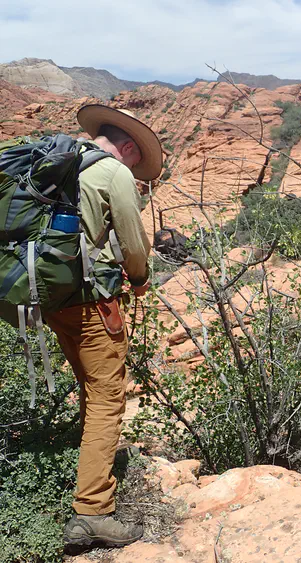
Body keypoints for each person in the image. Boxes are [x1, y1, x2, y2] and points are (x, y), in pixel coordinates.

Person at [49, 105, 162, 548]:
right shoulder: (113, 171)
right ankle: (93, 510)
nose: (134, 170)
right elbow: (133, 242)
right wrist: (139, 279)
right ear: (129, 148)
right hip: (91, 302)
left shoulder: (62, 157)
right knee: (107, 398)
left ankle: (89, 463)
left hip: (51, 297)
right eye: (137, 163)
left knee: (87, 384)